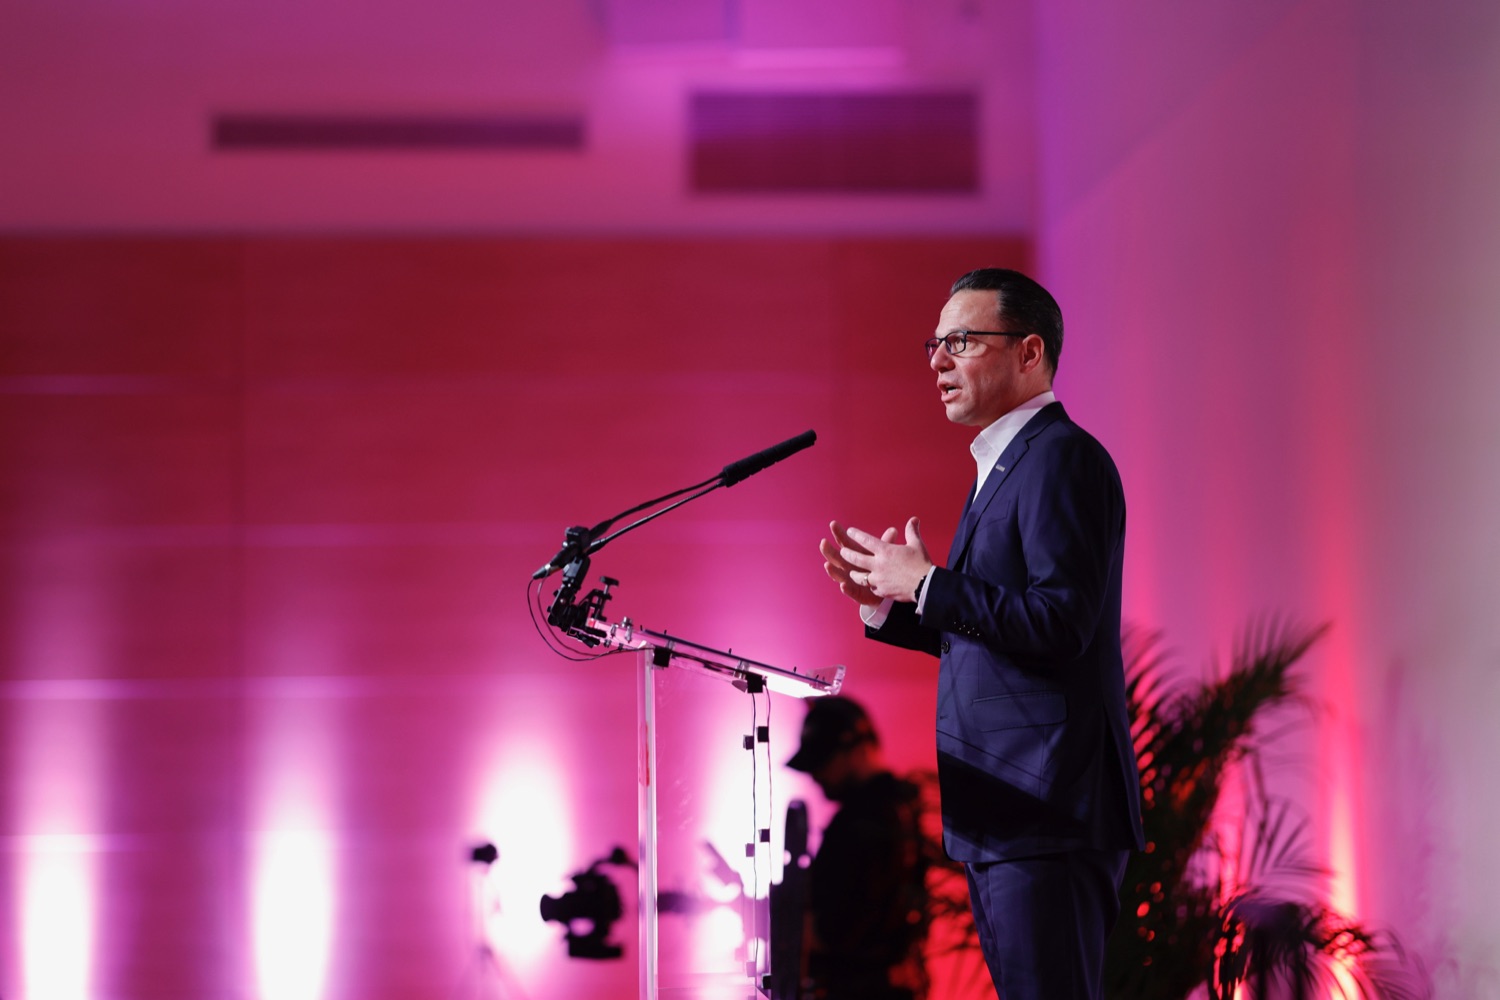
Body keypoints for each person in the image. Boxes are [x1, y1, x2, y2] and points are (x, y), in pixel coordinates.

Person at [817, 268, 1144, 1000]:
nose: (938, 360)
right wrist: (892, 604)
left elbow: (1060, 623)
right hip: (1005, 813)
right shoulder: (1005, 466)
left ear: (1029, 352)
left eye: (961, 340)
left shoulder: (1061, 457)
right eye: (934, 343)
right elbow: (999, 641)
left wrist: (929, 584)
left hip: (1048, 810)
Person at [786, 695, 929, 1000]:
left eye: (823, 760)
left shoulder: (865, 820)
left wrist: (798, 927)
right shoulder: (902, 809)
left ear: (858, 748)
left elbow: (840, 927)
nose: (816, 775)